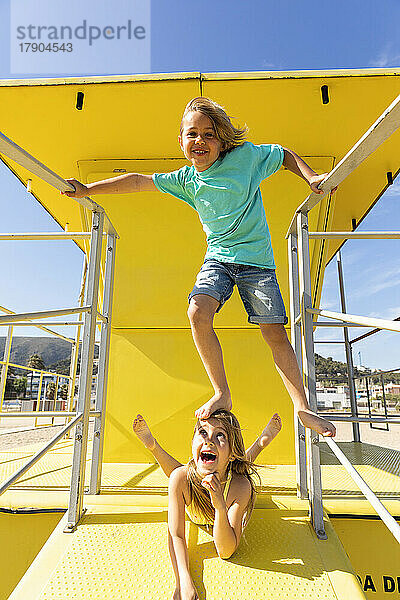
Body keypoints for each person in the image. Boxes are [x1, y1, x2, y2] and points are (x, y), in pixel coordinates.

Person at [63, 96, 336, 437]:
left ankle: (304, 407)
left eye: (209, 134)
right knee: (197, 312)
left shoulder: (246, 158)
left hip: (257, 264)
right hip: (219, 260)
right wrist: (88, 189)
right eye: (192, 134)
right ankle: (222, 391)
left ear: (222, 140)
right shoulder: (186, 180)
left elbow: (283, 155)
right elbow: (136, 181)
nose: (200, 141)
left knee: (274, 333)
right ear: (181, 142)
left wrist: (311, 176)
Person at [132, 410, 282, 600]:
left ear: (231, 449)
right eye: (203, 432)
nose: (209, 440)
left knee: (241, 466)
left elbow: (226, 551)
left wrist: (219, 506)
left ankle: (261, 443)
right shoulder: (181, 478)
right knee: (178, 473)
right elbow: (176, 534)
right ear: (192, 443)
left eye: (220, 435)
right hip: (195, 478)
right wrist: (183, 581)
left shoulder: (241, 487)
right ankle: (153, 446)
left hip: (228, 479)